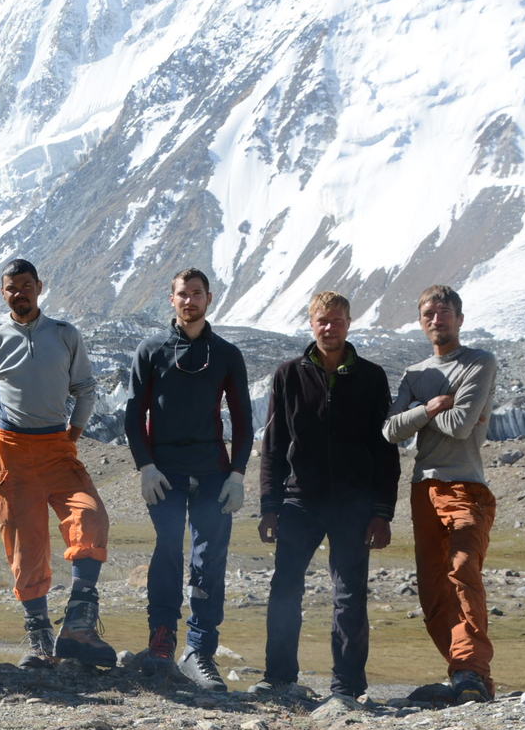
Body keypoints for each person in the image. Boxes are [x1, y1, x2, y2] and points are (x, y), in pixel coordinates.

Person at [254, 291, 397, 707]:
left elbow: (385, 450)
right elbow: (274, 445)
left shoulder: (371, 378)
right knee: (285, 589)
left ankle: (347, 687)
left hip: (354, 505)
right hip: (299, 501)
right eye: (321, 320)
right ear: (310, 323)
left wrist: (382, 511)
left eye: (336, 320)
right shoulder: (289, 375)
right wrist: (269, 505)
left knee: (350, 594)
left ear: (349, 323)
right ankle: (279, 678)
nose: (329, 327)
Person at [0, 258, 114, 669]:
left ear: (39, 287)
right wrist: (2, 431)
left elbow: (85, 388)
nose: (20, 292)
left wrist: (73, 432)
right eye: (12, 287)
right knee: (25, 544)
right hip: (12, 453)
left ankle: (79, 624)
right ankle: (41, 640)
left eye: (26, 285)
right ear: (3, 293)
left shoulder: (64, 335)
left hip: (57, 447)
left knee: (90, 517)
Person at [124, 267, 253, 692]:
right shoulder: (151, 349)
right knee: (166, 552)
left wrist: (237, 474)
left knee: (208, 558)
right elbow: (132, 415)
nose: (189, 301)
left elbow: (244, 420)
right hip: (164, 472)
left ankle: (200, 650)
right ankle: (161, 641)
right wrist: (145, 466)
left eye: (197, 294)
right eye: (183, 294)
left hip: (213, 472)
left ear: (209, 299)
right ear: (172, 298)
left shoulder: (227, 354)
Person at [384, 284, 499, 705]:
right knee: (433, 588)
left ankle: (471, 669)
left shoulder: (479, 363)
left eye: (445, 312)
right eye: (429, 313)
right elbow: (391, 431)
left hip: (466, 484)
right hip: (423, 488)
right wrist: (430, 408)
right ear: (421, 321)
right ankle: (463, 673)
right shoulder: (414, 374)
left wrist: (421, 415)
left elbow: (462, 425)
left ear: (460, 319)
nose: (438, 319)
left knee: (464, 570)